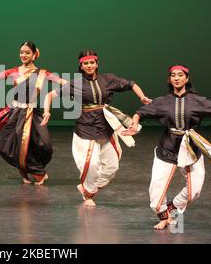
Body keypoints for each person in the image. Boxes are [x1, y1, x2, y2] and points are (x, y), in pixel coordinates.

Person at [122, 64, 211, 229]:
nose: (176, 78)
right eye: (173, 75)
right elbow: (140, 112)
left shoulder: (198, 100)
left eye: (180, 75)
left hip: (191, 148)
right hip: (167, 148)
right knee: (156, 193)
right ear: (169, 79)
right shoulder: (162, 101)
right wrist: (134, 124)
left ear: (187, 78)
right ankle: (164, 216)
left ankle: (172, 209)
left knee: (194, 191)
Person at [42, 50, 151, 206]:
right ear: (81, 66)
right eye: (86, 63)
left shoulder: (108, 79)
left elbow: (131, 84)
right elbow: (50, 95)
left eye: (92, 62)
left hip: (106, 127)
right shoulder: (75, 83)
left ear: (97, 63)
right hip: (86, 128)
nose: (89, 65)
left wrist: (142, 97)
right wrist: (47, 111)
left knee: (112, 167)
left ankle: (88, 187)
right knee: (91, 164)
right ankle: (88, 194)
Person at [0, 41, 67, 185]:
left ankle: (33, 168)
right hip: (16, 112)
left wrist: (79, 87)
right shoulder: (14, 72)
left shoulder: (42, 73)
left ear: (34, 55)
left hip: (34, 112)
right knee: (6, 144)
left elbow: (62, 82)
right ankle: (35, 172)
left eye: (27, 52)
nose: (23, 55)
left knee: (44, 145)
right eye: (21, 52)